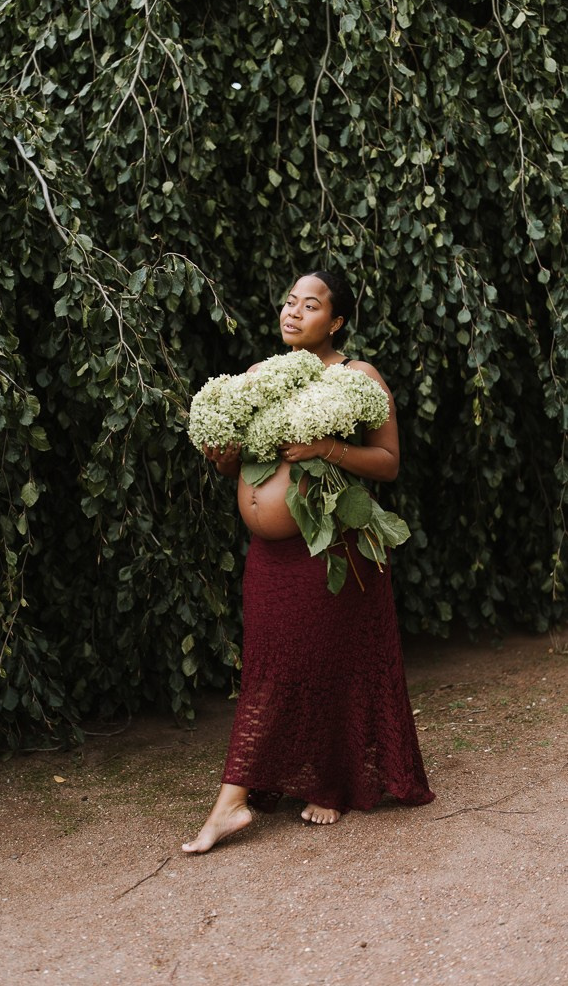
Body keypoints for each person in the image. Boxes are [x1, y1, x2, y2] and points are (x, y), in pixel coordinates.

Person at [182, 271, 434, 853]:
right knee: (277, 665)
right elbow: (238, 465)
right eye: (290, 301)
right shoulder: (259, 377)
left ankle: (233, 803)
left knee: (306, 666)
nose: (294, 312)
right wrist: (224, 456)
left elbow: (389, 462)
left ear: (336, 321)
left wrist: (327, 449)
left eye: (311, 305)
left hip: (330, 549)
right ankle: (322, 780)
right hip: (269, 557)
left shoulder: (357, 377)